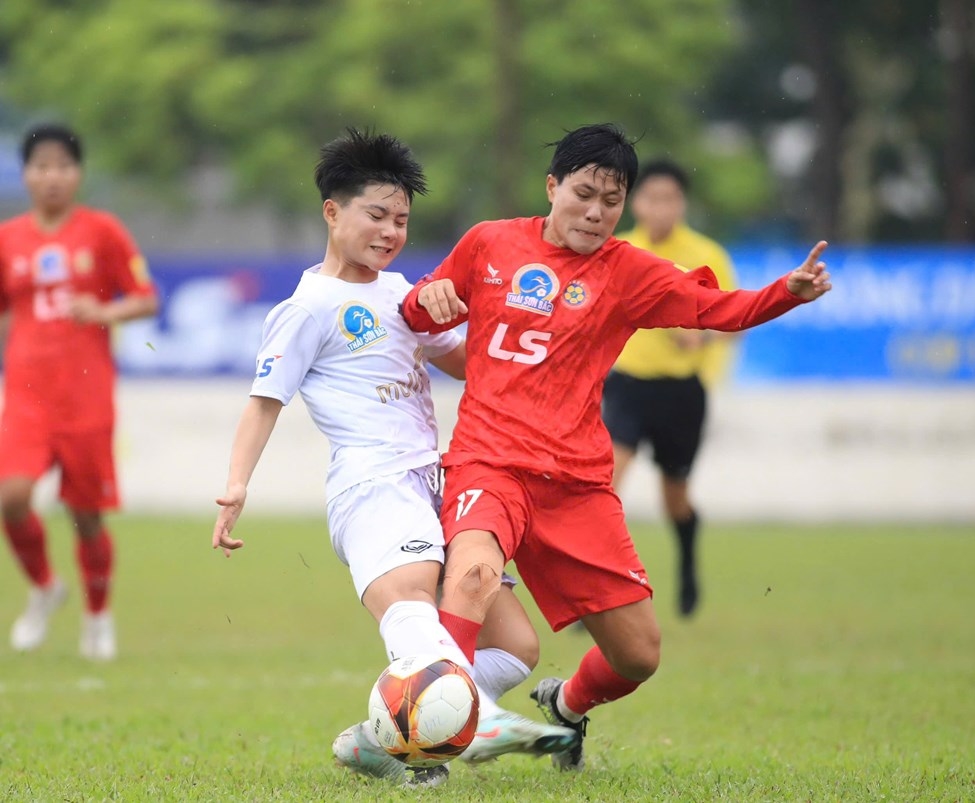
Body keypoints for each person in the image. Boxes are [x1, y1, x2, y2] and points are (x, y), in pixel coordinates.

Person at [400, 123, 831, 771]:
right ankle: (429, 740)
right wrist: (423, 299)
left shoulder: (626, 271)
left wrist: (784, 295)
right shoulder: (488, 242)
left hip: (575, 485)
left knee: (638, 655)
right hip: (488, 463)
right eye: (584, 194)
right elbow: (420, 314)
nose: (597, 212)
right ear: (552, 187)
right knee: (471, 575)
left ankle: (567, 705)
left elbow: (715, 309)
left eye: (611, 200)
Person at [211, 128, 575, 789]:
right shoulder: (308, 307)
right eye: (376, 214)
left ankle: (387, 735)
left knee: (517, 648)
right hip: (372, 483)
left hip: (439, 482)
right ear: (333, 211)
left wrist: (518, 335)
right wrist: (236, 485)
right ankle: (469, 728)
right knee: (411, 602)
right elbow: (264, 401)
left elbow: (469, 363)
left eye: (402, 219)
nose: (390, 230)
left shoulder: (405, 292)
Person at [0, 123, 159, 661]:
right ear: (26, 174)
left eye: (62, 166)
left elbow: (145, 298)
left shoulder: (101, 231)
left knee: (86, 514)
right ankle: (45, 587)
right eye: (41, 167)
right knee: (11, 499)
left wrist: (105, 310)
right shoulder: (9, 239)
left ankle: (97, 616)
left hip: (87, 397)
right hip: (26, 397)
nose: (52, 177)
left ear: (78, 173)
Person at [603, 158, 738, 617]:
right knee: (604, 487)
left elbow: (734, 320)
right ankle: (600, 594)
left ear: (682, 204)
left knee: (674, 497)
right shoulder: (618, 250)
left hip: (681, 392)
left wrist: (702, 333)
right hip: (625, 387)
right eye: (652, 197)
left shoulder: (707, 256)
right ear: (635, 202)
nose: (661, 208)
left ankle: (687, 570)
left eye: (671, 199)